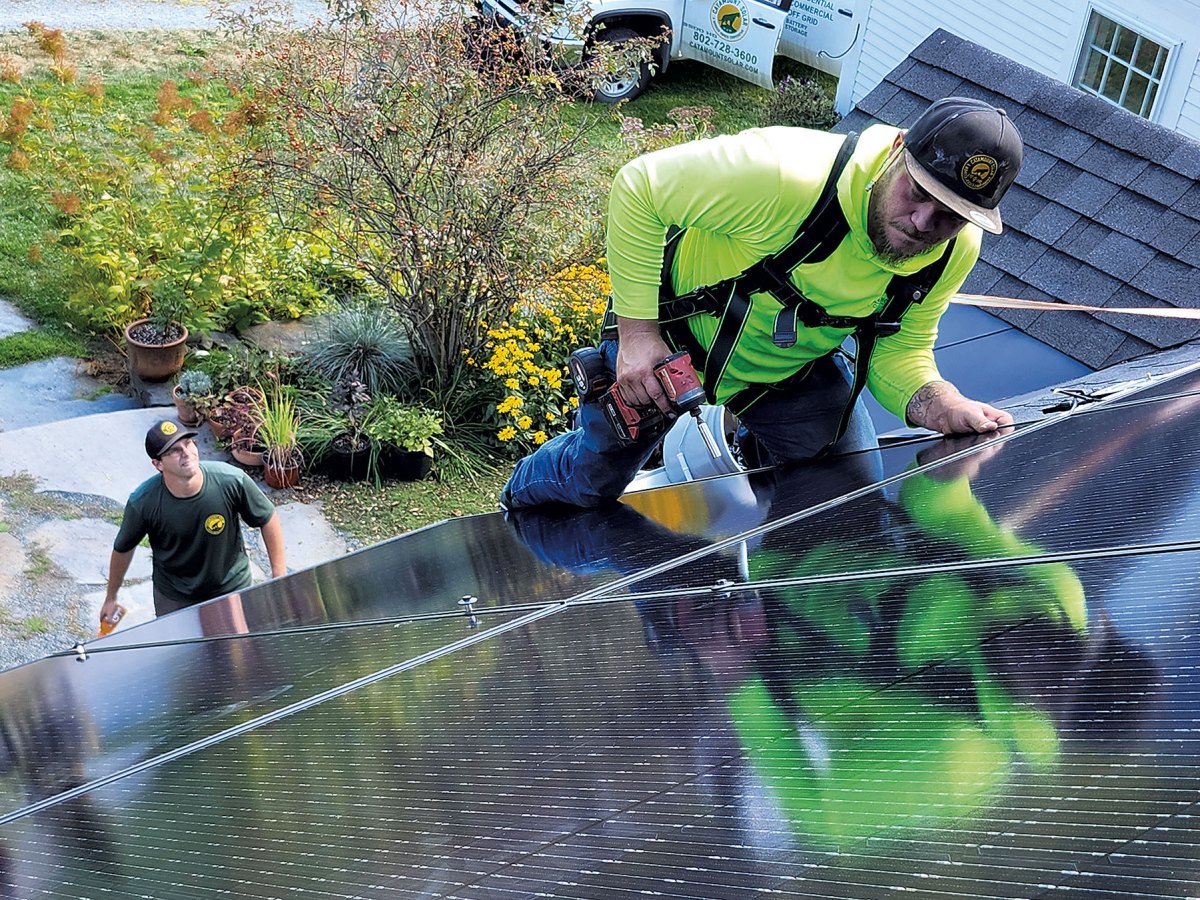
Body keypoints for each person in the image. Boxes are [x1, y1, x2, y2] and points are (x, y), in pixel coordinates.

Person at [502, 96, 1024, 509]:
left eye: (950, 215)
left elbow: (900, 347)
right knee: (590, 482)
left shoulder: (952, 250)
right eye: (918, 193)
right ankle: (511, 501)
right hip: (671, 346)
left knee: (841, 496)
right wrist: (638, 336)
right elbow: (639, 186)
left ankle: (774, 623)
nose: (922, 224)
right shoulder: (785, 174)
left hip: (787, 366)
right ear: (897, 150)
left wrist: (940, 403)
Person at [100, 420, 287, 623]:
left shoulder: (231, 481)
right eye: (174, 450)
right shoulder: (143, 502)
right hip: (175, 598)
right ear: (158, 464)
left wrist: (279, 575)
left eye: (189, 443)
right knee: (184, 653)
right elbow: (123, 548)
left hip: (231, 587)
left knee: (238, 649)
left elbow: (267, 518)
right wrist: (111, 597)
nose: (186, 452)